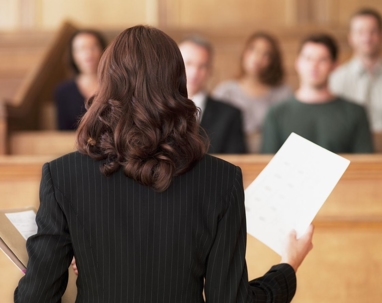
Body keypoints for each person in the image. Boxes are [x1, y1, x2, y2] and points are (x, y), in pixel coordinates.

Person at [15, 25, 314, 303]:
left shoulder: (62, 175)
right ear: (178, 84)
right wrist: (288, 267)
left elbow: (36, 297)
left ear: (106, 85)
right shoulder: (222, 179)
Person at [261, 33, 374, 154]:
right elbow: (266, 164)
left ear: (334, 65)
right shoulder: (276, 113)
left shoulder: (355, 113)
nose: (314, 66)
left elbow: (364, 165)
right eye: (308, 58)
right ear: (297, 62)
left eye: (322, 60)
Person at [213, 32, 293, 153]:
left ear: (273, 61)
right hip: (233, 157)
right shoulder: (225, 91)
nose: (257, 57)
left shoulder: (283, 93)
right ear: (244, 53)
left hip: (272, 156)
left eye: (266, 54)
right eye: (252, 49)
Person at [330, 8, 382, 131]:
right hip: (349, 148)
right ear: (350, 37)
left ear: (381, 35)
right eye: (360, 32)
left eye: (373, 31)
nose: (367, 38)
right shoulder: (336, 79)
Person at [178, 35, 247, 154]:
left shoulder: (230, 115)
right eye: (188, 63)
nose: (194, 72)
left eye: (202, 66)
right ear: (176, 66)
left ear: (210, 70)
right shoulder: (158, 109)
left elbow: (237, 161)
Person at [54, 29, 107, 130]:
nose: (89, 54)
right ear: (73, 55)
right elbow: (62, 131)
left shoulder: (114, 86)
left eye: (93, 47)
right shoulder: (63, 91)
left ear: (103, 51)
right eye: (82, 49)